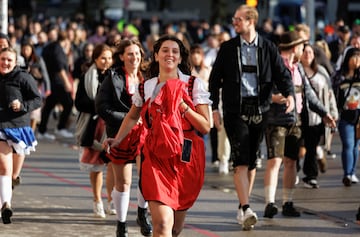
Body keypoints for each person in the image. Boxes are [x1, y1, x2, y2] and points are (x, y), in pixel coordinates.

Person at [104, 35, 211, 237]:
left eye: (174, 51)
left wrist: (182, 106)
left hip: (185, 156)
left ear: (180, 58)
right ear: (155, 55)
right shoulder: (146, 87)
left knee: (175, 228)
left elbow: (205, 126)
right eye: (164, 50)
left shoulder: (193, 85)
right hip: (155, 156)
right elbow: (132, 116)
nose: (169, 54)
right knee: (161, 225)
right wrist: (117, 139)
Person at [209, 5, 295, 230]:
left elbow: (282, 73)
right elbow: (214, 79)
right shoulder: (228, 48)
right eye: (234, 19)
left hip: (260, 109)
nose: (234, 23)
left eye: (238, 19)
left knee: (253, 159)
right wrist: (214, 109)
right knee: (241, 160)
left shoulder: (267, 47)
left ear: (250, 21)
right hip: (235, 111)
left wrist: (290, 94)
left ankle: (242, 205)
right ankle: (246, 207)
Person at [96, 39, 152, 237]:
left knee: (146, 176)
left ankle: (142, 212)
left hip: (144, 134)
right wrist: (128, 119)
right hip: (120, 133)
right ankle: (121, 223)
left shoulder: (147, 76)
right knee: (123, 182)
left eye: (137, 53)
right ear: (121, 57)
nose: (134, 57)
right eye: (129, 54)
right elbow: (102, 107)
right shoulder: (113, 77)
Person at [0, 47, 42, 224]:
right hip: (1, 126)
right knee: (4, 168)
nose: (5, 63)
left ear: (15, 62)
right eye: (2, 59)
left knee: (13, 175)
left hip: (19, 129)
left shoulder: (23, 77)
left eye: (9, 60)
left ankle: (6, 193)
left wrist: (22, 105)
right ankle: (6, 205)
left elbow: (37, 99)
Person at [74, 43, 115, 218]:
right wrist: (99, 106)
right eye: (103, 58)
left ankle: (112, 199)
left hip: (112, 125)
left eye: (109, 58)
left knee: (114, 165)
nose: (106, 62)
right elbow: (79, 103)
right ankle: (97, 200)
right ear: (95, 59)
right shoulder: (87, 77)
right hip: (93, 126)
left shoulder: (116, 77)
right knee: (96, 166)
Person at [300, 44, 338, 188]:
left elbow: (329, 94)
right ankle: (296, 169)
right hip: (300, 115)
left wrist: (332, 112)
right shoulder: (297, 70)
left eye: (310, 52)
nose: (307, 54)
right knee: (299, 147)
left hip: (317, 116)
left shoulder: (321, 71)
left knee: (311, 146)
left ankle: (311, 176)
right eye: (304, 52)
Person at [38, 30, 74, 140]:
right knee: (68, 103)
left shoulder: (50, 47)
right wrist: (66, 82)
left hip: (51, 81)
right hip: (58, 82)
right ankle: (60, 127)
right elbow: (60, 68)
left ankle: (42, 130)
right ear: (66, 40)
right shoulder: (58, 49)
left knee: (49, 106)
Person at [332, 47, 360, 186]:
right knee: (348, 145)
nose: (356, 60)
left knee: (356, 146)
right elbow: (333, 93)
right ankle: (347, 174)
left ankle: (352, 172)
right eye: (353, 57)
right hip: (345, 117)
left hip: (359, 117)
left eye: (358, 58)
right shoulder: (340, 77)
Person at [20, 40, 51, 132]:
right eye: (24, 49)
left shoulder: (38, 60)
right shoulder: (19, 60)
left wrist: (48, 89)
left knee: (35, 113)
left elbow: (45, 75)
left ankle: (31, 133)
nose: (26, 51)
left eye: (28, 49)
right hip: (22, 90)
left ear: (32, 50)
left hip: (36, 88)